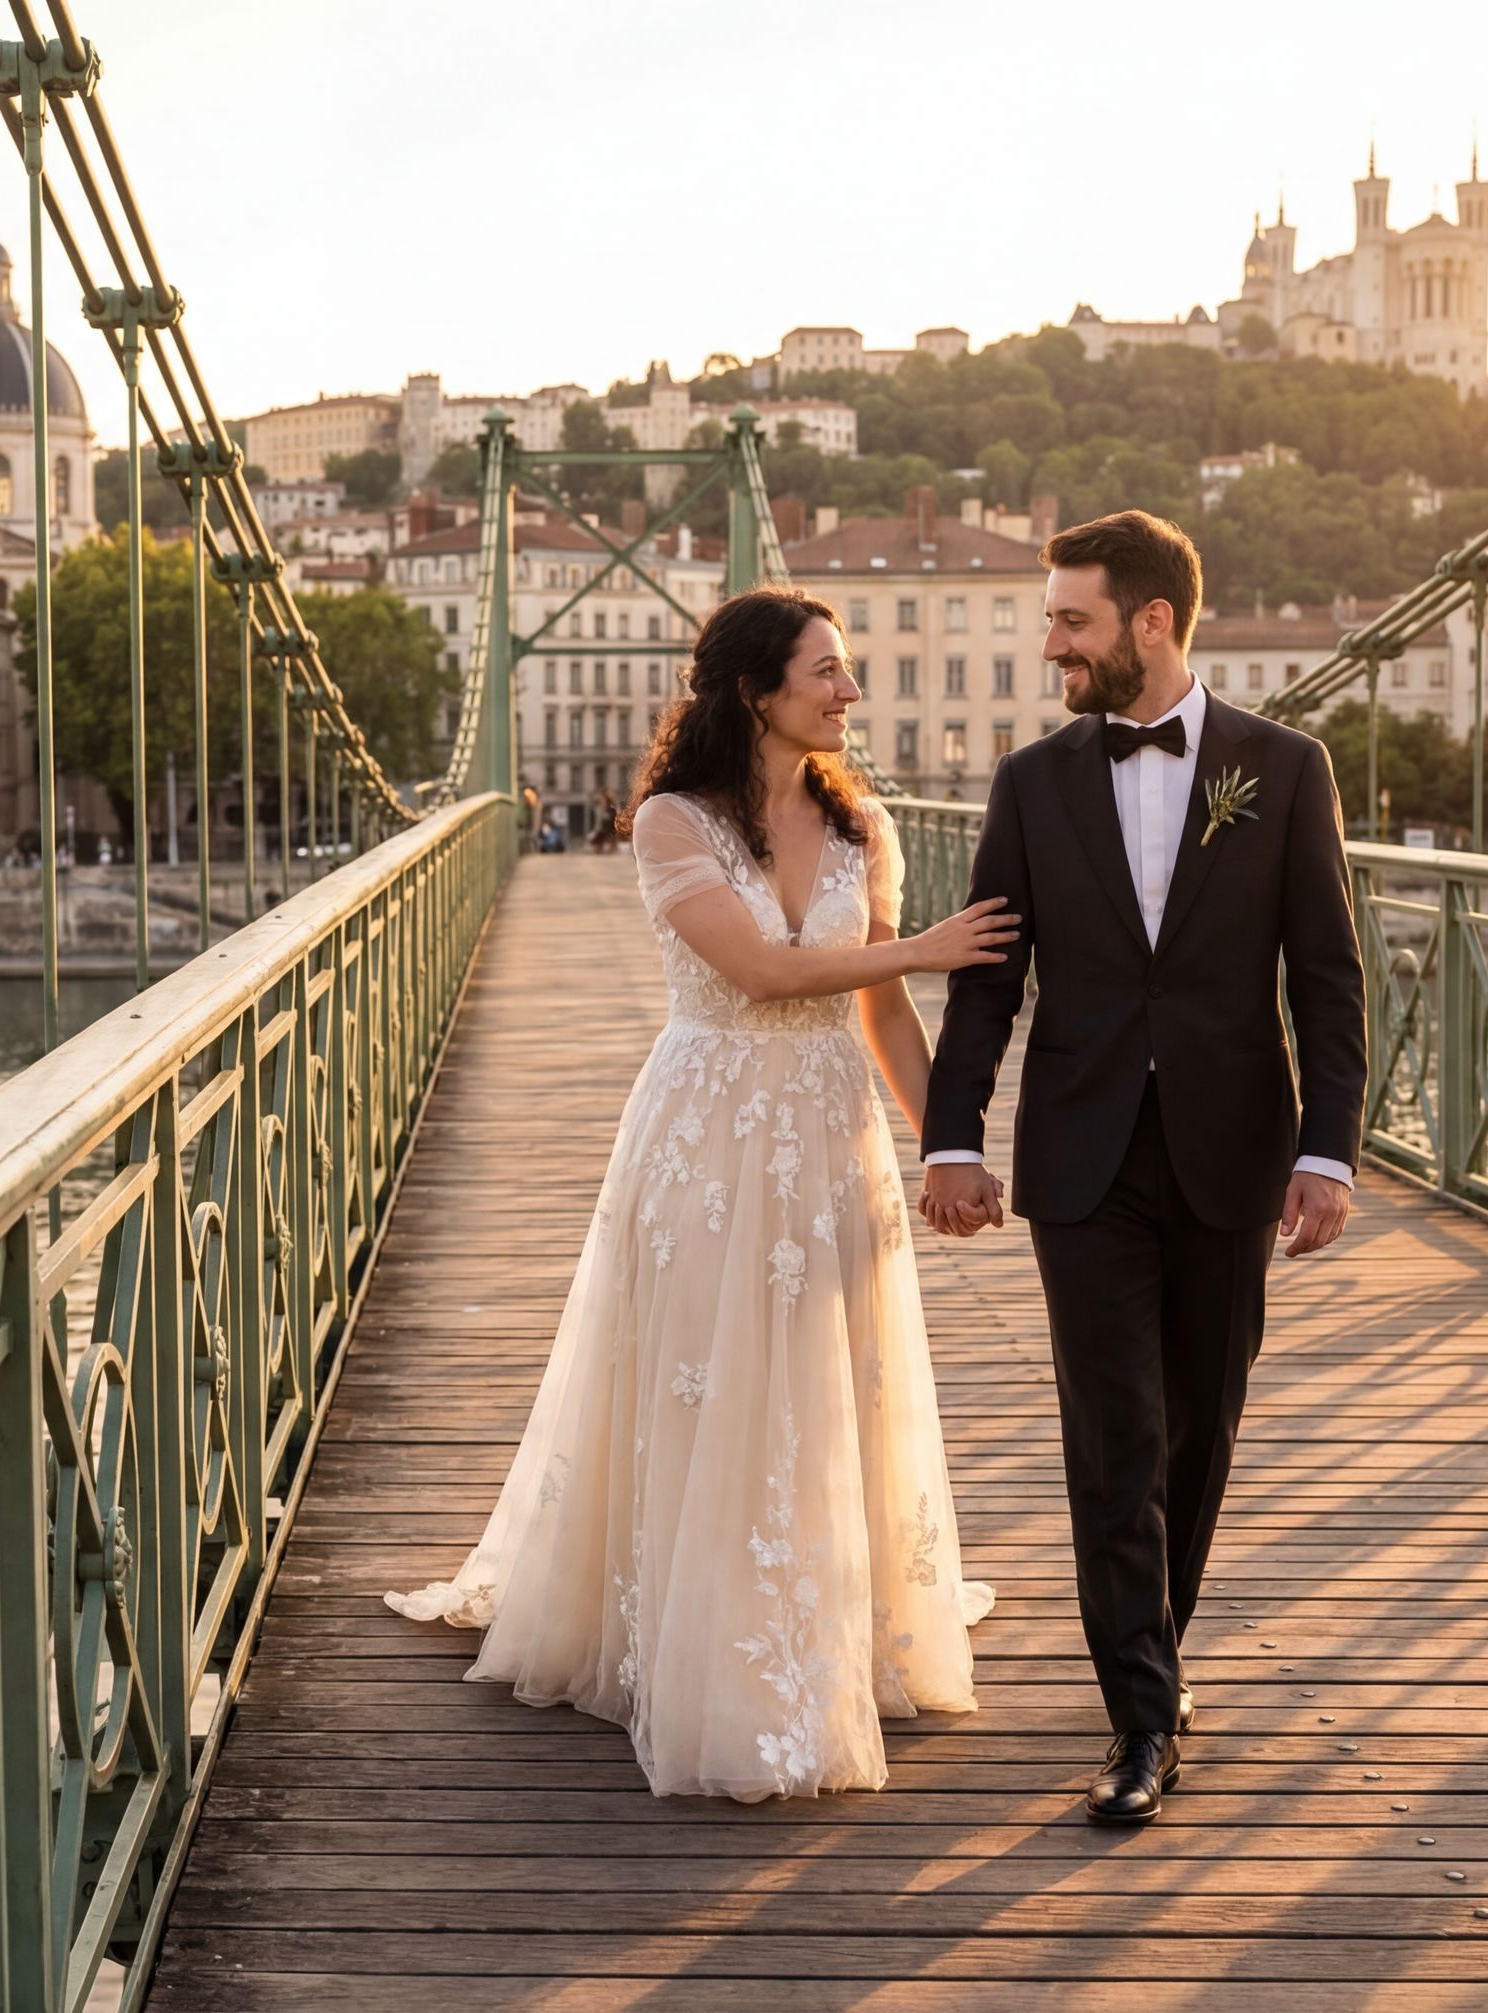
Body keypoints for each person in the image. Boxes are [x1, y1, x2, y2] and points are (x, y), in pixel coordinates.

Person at [389, 586, 1016, 1800]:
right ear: (755, 691)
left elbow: (874, 1007)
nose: (849, 691)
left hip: (827, 1126)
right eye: (826, 671)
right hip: (708, 1124)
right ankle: (687, 1626)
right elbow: (762, 970)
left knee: (825, 1371)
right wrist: (926, 947)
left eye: (847, 670)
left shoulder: (863, 825)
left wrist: (949, 1144)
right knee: (705, 1373)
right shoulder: (672, 821)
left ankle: (829, 1610)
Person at [919, 510, 1367, 1826]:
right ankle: (1141, 1715)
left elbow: (1329, 981)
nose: (1047, 640)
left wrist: (1328, 1147)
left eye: (1070, 619)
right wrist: (955, 1133)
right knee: (1114, 1433)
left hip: (1235, 1148)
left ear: (1152, 623)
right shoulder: (1031, 781)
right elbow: (990, 978)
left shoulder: (1286, 769)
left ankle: (1151, 1649)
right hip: (1084, 1154)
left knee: (1200, 1429)